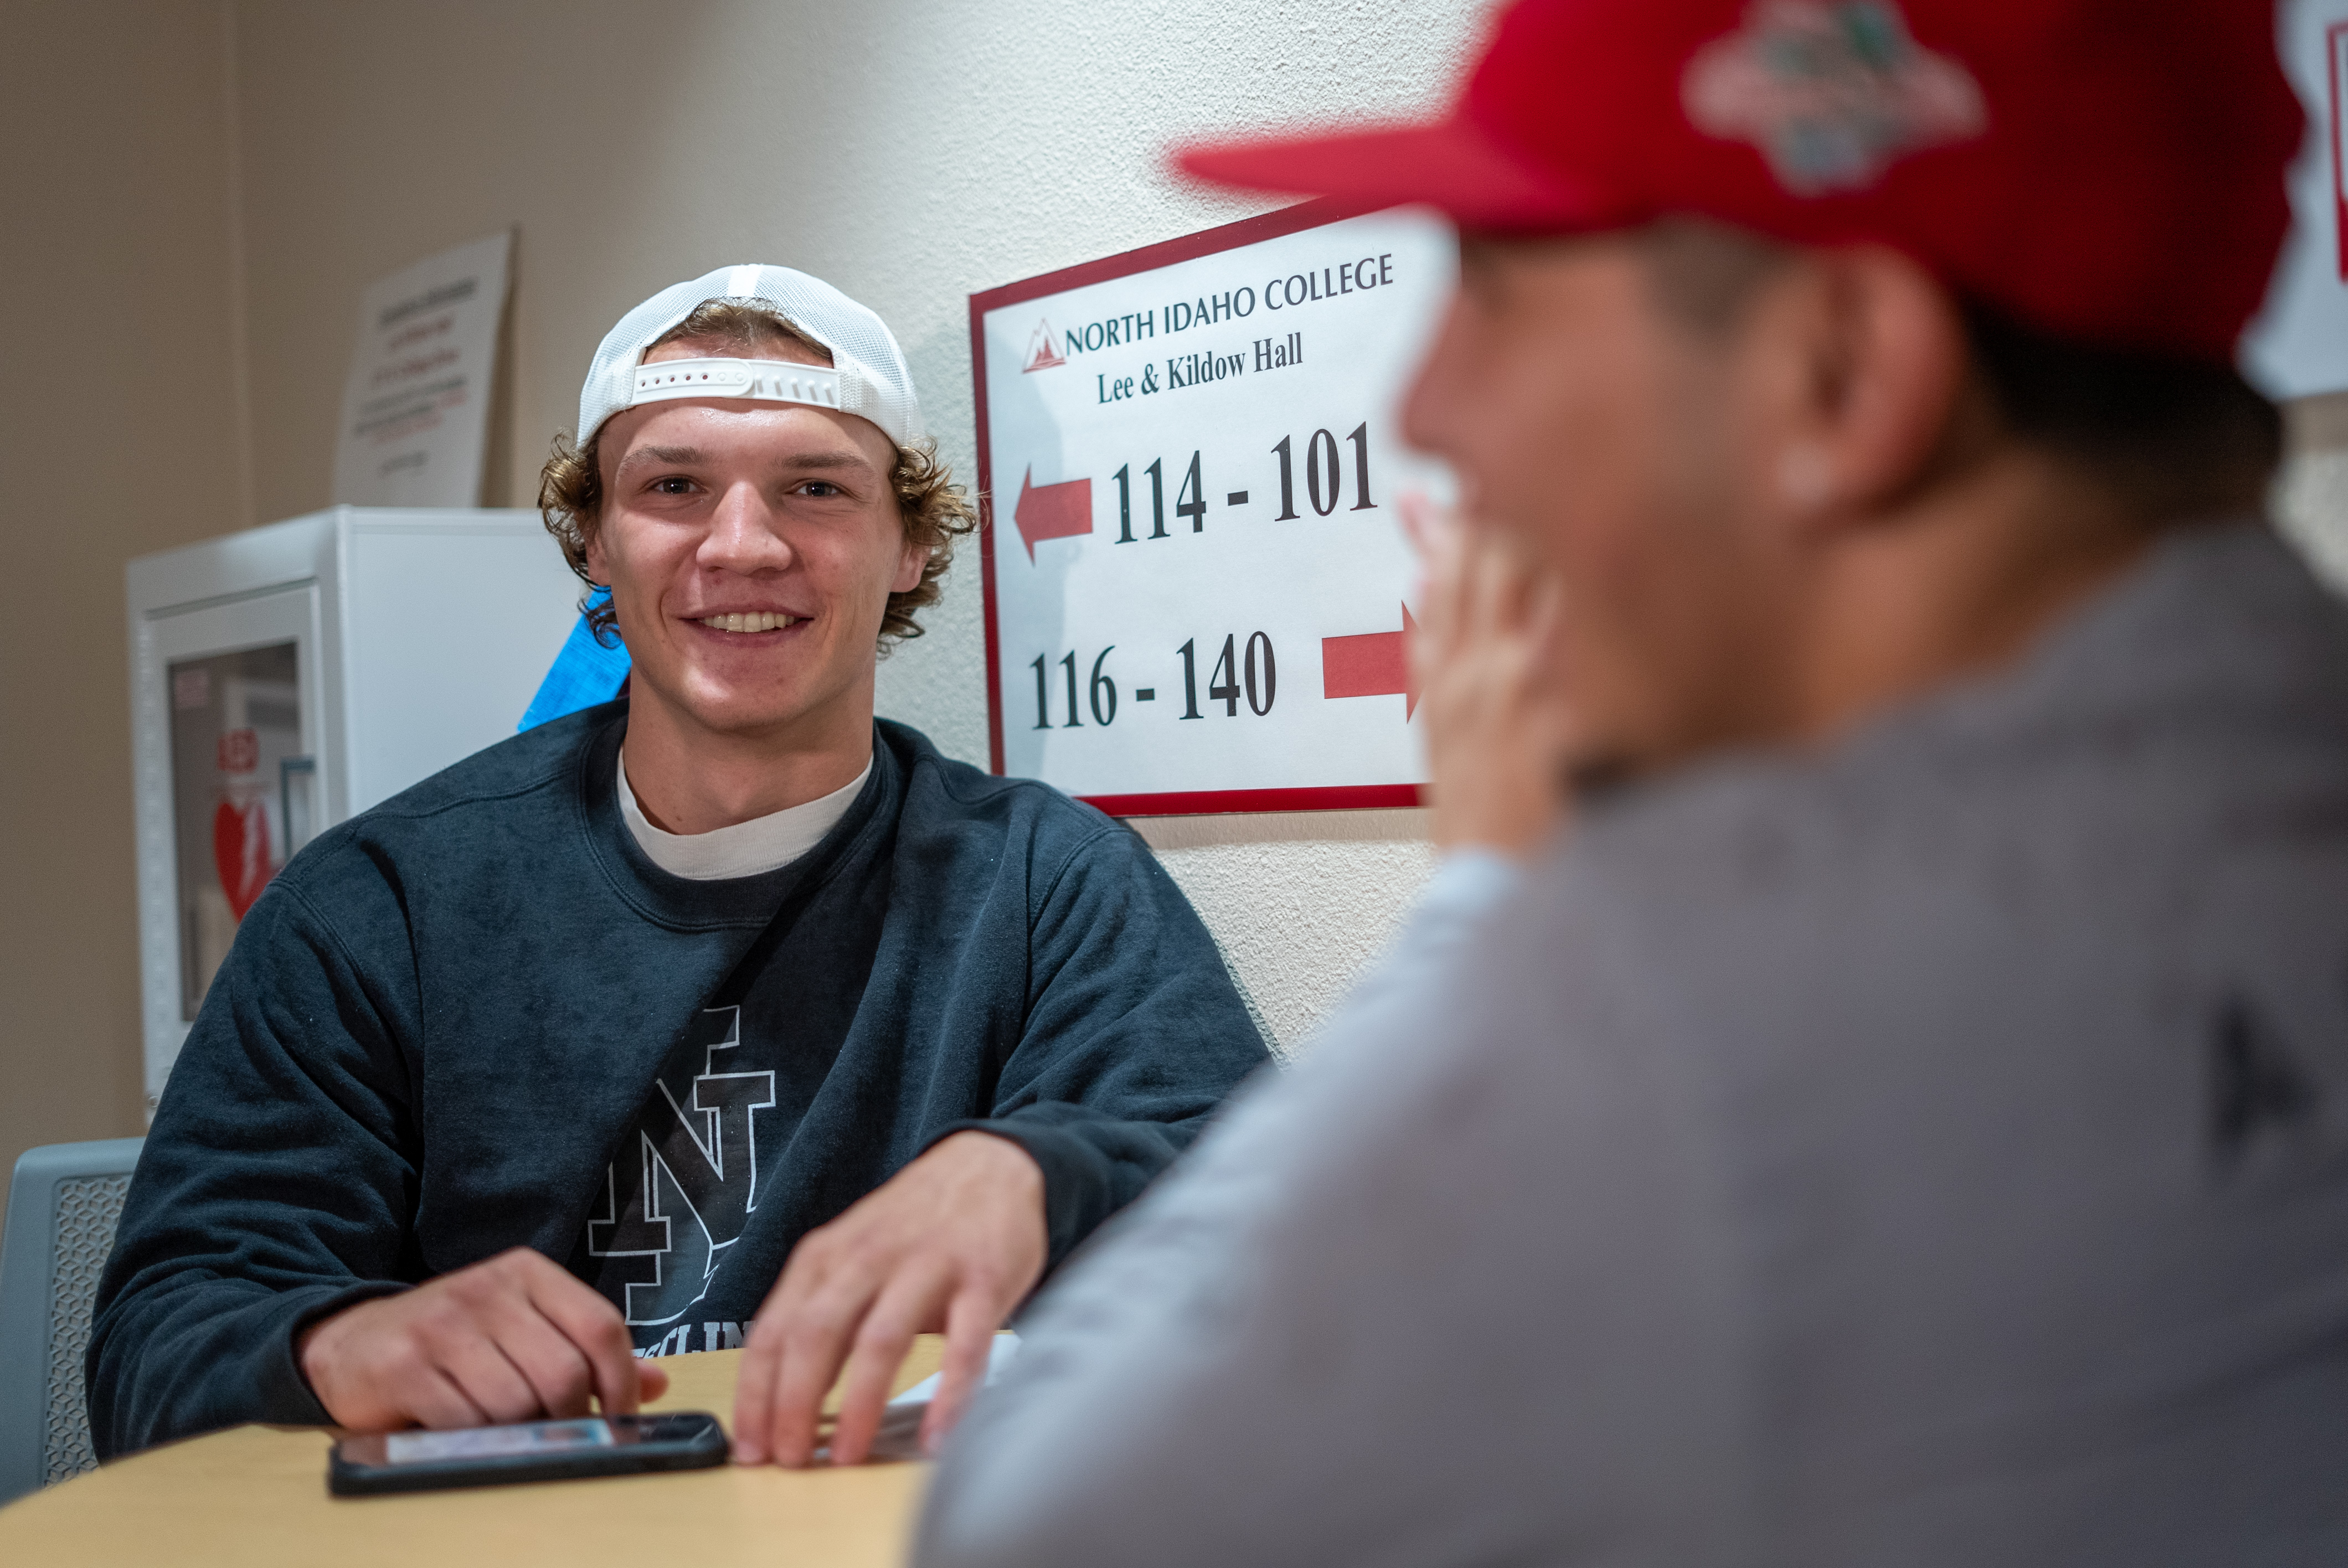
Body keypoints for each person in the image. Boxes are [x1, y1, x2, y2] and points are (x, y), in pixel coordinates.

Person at [914, 1, 2348, 1562]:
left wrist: (1494, 909)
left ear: (1843, 377)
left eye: (1501, 288)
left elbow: (1028, 1527)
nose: (1423, 405)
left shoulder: (1685, 1014)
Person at [88, 265, 1269, 1468]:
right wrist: (340, 1344)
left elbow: (1274, 1228)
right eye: (674, 488)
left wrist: (1040, 1172)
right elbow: (155, 1350)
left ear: (908, 543)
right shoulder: (379, 906)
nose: (742, 545)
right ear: (595, 542)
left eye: (815, 488)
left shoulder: (1044, 887)